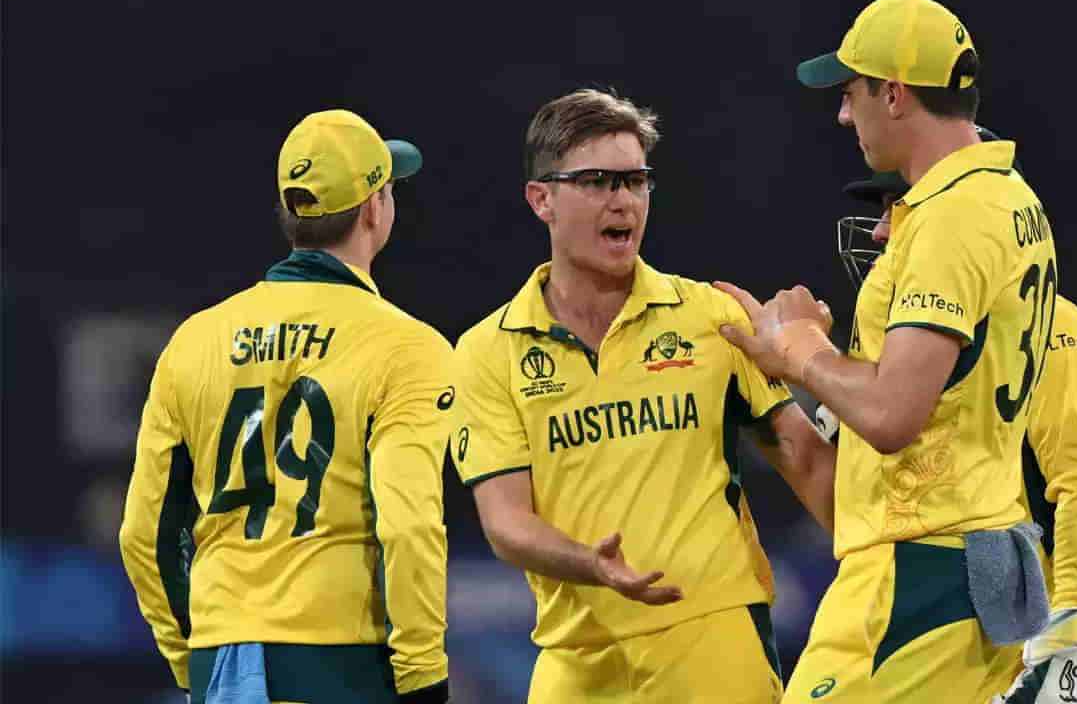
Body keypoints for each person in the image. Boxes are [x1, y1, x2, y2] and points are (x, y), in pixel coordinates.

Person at [716, 0, 1063, 702]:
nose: (844, 116)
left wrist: (802, 348)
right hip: (976, 557)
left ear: (895, 94)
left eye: (852, 93)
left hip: (917, 578)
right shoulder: (1010, 194)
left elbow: (891, 414)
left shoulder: (950, 217)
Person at [451, 88, 835, 704]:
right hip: (576, 656)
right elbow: (506, 523)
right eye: (597, 181)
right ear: (541, 199)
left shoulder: (712, 317)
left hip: (711, 638)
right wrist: (590, 563)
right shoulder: (487, 350)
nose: (623, 200)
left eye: (635, 181)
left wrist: (886, 559)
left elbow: (806, 460)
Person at [120, 110, 452, 704]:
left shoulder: (194, 341)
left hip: (220, 656)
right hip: (344, 664)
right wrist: (423, 671)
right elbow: (408, 525)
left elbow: (143, 534)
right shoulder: (408, 347)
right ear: (375, 208)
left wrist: (189, 659)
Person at [834, 131, 1077, 704]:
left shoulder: (1054, 325)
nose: (880, 231)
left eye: (900, 206)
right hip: (958, 636)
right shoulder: (914, 349)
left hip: (1035, 654)